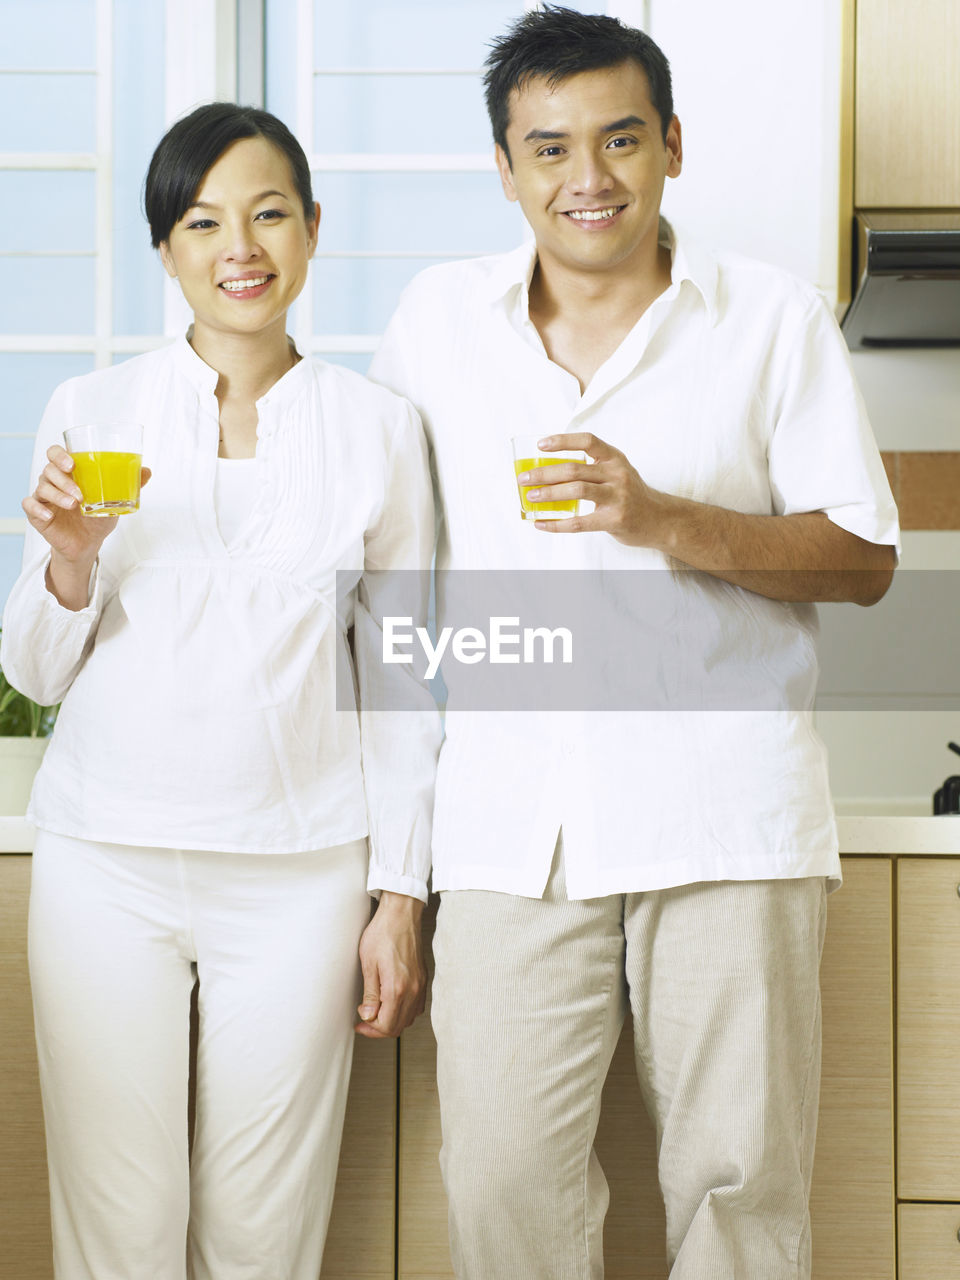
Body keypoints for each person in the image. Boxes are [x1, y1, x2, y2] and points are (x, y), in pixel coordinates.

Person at [369, 7, 899, 1279]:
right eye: (548, 148)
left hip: (724, 815)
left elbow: (864, 557)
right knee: (498, 1177)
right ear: (505, 169)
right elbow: (390, 597)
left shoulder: (768, 320)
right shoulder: (437, 325)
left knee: (740, 1183)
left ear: (670, 143)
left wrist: (659, 517)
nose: (586, 177)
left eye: (617, 138)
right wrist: (398, 871)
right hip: (505, 828)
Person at [1, 102, 438, 1280]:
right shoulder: (91, 413)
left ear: (310, 231)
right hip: (106, 860)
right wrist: (74, 557)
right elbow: (34, 669)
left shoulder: (378, 430)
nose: (239, 245)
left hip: (301, 871)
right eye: (204, 221)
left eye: (267, 213)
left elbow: (405, 678)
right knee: (117, 1221)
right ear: (166, 249)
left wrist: (398, 895)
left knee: (263, 1230)